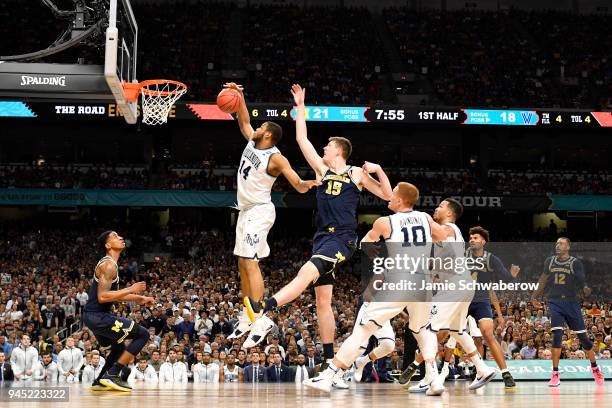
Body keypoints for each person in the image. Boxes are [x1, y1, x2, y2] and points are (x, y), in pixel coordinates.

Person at [244, 84, 393, 378]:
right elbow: (301, 138)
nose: (323, 148)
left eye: (327, 145)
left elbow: (388, 197)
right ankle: (328, 358)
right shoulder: (322, 171)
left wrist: (378, 170)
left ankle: (264, 308)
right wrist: (300, 105)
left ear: (339, 150)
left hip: (343, 237)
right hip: (323, 236)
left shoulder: (356, 174)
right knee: (322, 302)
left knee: (305, 272)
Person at [304, 183, 446, 395]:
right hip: (422, 281)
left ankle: (329, 375)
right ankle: (434, 378)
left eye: (393, 194)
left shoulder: (385, 222)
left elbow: (366, 243)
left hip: (399, 280)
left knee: (363, 330)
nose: (388, 197)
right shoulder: (425, 218)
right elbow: (442, 236)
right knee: (422, 329)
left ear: (399, 200)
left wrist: (380, 256)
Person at [222, 83, 319, 341]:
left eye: (262, 127)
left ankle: (262, 319)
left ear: (268, 136)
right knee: (242, 262)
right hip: (246, 211)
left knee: (251, 262)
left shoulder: (276, 158)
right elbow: (243, 119)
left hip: (260, 211)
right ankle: (248, 316)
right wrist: (241, 96)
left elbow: (297, 184)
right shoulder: (253, 141)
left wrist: (309, 183)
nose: (257, 128)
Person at [401, 200, 496, 393]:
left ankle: (432, 379)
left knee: (426, 328)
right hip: (461, 284)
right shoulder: (445, 235)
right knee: (457, 331)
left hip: (455, 286)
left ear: (450, 213)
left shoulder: (449, 228)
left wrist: (418, 218)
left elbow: (436, 236)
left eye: (441, 206)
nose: (436, 208)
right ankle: (483, 368)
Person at [82, 231, 154, 392]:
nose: (121, 237)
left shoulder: (110, 264)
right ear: (108, 245)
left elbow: (112, 296)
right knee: (143, 334)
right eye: (115, 236)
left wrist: (139, 298)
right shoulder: (108, 265)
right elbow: (103, 297)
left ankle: (100, 381)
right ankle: (113, 374)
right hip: (98, 316)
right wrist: (131, 288)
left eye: (120, 236)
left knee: (119, 348)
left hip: (93, 317)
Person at [531, 237, 605, 387]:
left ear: (568, 247)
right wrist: (534, 295)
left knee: (583, 338)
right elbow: (543, 279)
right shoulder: (550, 261)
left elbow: (582, 279)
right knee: (557, 335)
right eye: (557, 243)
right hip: (555, 301)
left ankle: (595, 368)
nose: (558, 246)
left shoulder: (575, 262)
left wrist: (585, 288)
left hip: (571, 302)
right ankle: (555, 374)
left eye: (561, 244)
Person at [464, 226, 519, 387]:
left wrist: (512, 276)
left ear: (483, 242)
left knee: (488, 334)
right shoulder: (461, 256)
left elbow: (506, 279)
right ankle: (433, 372)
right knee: (446, 335)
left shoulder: (491, 259)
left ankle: (505, 373)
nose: (472, 240)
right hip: (462, 301)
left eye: (475, 238)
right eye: (471, 238)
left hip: (481, 301)